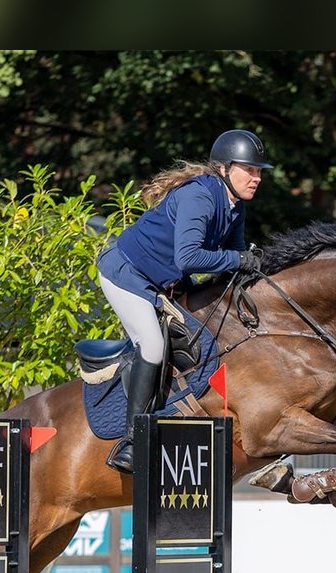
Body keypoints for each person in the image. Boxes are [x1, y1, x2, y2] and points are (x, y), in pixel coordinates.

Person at [97, 129, 273, 473]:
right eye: (250, 170)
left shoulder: (235, 206)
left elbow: (233, 258)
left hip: (166, 280)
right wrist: (239, 260)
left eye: (259, 171)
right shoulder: (199, 196)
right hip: (127, 274)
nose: (257, 178)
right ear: (224, 168)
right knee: (152, 345)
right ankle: (132, 441)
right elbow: (189, 257)